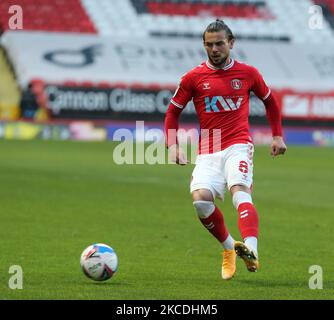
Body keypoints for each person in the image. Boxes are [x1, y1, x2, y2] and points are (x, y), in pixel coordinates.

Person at [164, 19, 287, 280]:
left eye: (220, 43)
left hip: (238, 145)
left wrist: (277, 135)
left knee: (239, 191)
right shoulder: (193, 77)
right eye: (209, 45)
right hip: (208, 150)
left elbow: (270, 102)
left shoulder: (248, 73)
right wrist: (173, 145)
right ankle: (231, 249)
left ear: (231, 43)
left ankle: (251, 249)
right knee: (200, 200)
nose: (214, 49)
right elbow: (173, 111)